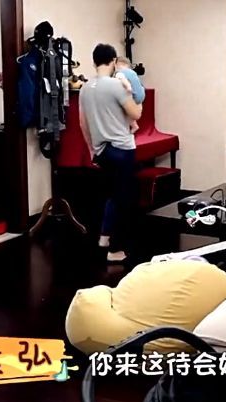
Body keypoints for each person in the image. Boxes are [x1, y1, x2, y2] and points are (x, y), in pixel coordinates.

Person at [79, 44, 142, 262]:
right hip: (122, 149)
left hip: (102, 150)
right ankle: (115, 251)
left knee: (112, 196)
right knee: (123, 200)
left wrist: (92, 151)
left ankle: (104, 238)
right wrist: (131, 91)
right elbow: (136, 113)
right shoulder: (116, 85)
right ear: (114, 61)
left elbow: (83, 123)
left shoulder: (85, 88)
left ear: (94, 61)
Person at [113, 56, 145, 133]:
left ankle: (134, 126)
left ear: (117, 65)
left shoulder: (119, 73)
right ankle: (134, 124)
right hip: (141, 94)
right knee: (131, 112)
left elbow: (123, 81)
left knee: (125, 111)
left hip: (133, 96)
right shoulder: (133, 72)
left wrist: (128, 87)